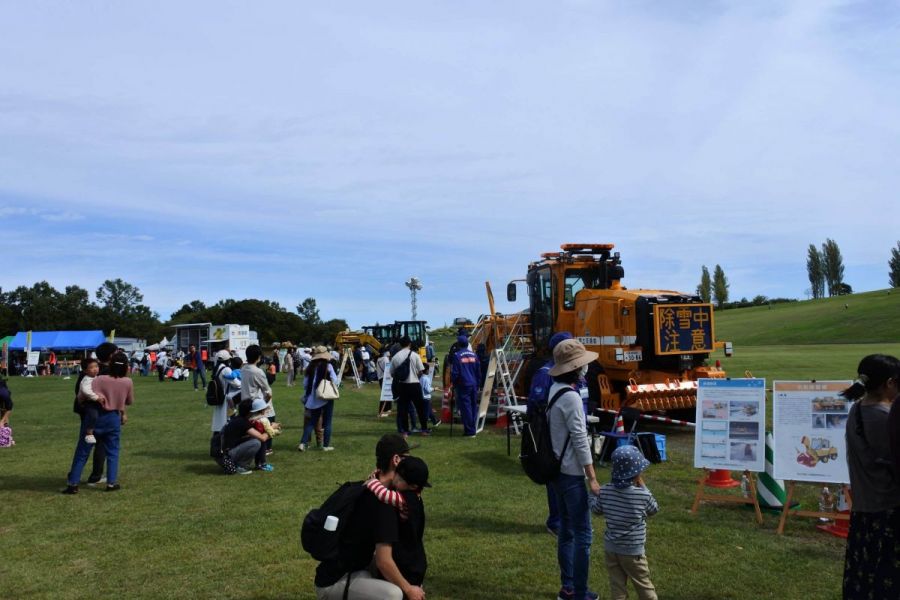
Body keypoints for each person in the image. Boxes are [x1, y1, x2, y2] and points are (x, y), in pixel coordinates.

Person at [313, 434, 426, 600]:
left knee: (400, 577)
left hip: (352, 570)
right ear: (396, 460)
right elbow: (383, 562)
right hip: (335, 581)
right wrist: (409, 589)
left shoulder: (369, 486)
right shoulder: (383, 504)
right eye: (407, 457)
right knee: (394, 595)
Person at [841, 354, 900, 599]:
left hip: (865, 508)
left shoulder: (857, 409)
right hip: (888, 511)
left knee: (864, 578)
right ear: (889, 383)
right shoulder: (884, 418)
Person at [547, 338, 601, 600]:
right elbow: (580, 440)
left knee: (566, 532)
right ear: (576, 368)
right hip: (571, 474)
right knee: (583, 535)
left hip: (557, 472)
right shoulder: (570, 397)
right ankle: (579, 592)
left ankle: (568, 587)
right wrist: (592, 477)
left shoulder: (554, 389)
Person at [590, 445, 659, 600]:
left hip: (611, 549)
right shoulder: (642, 495)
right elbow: (654, 509)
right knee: (643, 585)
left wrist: (592, 494)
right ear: (636, 474)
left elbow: (596, 509)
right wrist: (643, 485)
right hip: (633, 551)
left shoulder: (605, 491)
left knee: (617, 586)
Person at [63, 351, 134, 493]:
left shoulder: (99, 379)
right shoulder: (127, 382)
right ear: (126, 367)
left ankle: (73, 484)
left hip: (94, 418)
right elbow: (129, 401)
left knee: (82, 452)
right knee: (113, 452)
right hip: (113, 418)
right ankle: (111, 483)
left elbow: (83, 395)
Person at [528, 331, 577, 536]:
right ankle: (556, 521)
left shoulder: (575, 373)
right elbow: (536, 406)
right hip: (554, 438)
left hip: (574, 435)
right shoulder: (545, 374)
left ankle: (567, 519)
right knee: (556, 479)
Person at [299, 346, 341, 452]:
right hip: (326, 397)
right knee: (327, 422)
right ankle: (325, 445)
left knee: (312, 422)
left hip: (313, 398)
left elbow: (305, 384)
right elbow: (335, 381)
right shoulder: (328, 366)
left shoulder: (310, 367)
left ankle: (303, 443)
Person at [221, 397, 272, 473]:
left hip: (226, 453)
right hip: (228, 456)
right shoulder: (243, 422)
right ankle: (240, 466)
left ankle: (260, 464)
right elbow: (263, 438)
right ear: (250, 412)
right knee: (256, 443)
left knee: (255, 439)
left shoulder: (239, 419)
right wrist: (271, 428)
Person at [391, 337, 429, 437]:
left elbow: (392, 373)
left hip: (402, 385)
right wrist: (416, 376)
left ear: (400, 344)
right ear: (410, 344)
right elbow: (421, 371)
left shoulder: (395, 357)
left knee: (403, 409)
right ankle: (424, 430)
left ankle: (405, 432)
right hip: (415, 384)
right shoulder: (415, 355)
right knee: (420, 408)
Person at [241, 345, 274, 452]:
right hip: (257, 405)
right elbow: (268, 392)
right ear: (259, 357)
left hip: (245, 404)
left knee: (250, 430)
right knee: (265, 426)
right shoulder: (257, 371)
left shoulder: (244, 368)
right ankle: (266, 450)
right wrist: (264, 404)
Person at [210, 350, 240, 463]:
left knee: (218, 427)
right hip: (225, 400)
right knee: (226, 425)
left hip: (219, 400)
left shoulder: (217, 368)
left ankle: (216, 448)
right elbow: (236, 383)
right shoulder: (226, 369)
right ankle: (224, 449)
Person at [449, 335, 481, 437]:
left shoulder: (457, 355)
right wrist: (478, 383)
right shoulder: (474, 355)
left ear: (458, 344)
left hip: (463, 385)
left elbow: (455, 373)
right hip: (474, 384)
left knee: (465, 408)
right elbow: (478, 371)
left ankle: (470, 431)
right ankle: (473, 427)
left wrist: (453, 382)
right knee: (473, 406)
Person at [76, 358, 108, 445]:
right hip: (86, 402)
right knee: (93, 415)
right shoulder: (86, 379)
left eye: (96, 366)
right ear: (85, 371)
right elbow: (86, 391)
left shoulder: (96, 377)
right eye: (91, 367)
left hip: (92, 401)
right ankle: (89, 433)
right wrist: (96, 398)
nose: (95, 369)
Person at [419, 363, 439, 429]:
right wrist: (434, 389)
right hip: (426, 398)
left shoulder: (421, 378)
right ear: (427, 370)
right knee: (426, 414)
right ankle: (424, 428)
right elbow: (427, 390)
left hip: (422, 397)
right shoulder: (426, 379)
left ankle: (435, 422)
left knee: (429, 411)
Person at [377, 351, 392, 417]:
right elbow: (388, 369)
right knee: (385, 394)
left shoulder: (378, 359)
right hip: (385, 378)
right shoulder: (385, 359)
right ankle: (382, 411)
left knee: (387, 394)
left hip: (380, 377)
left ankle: (387, 409)